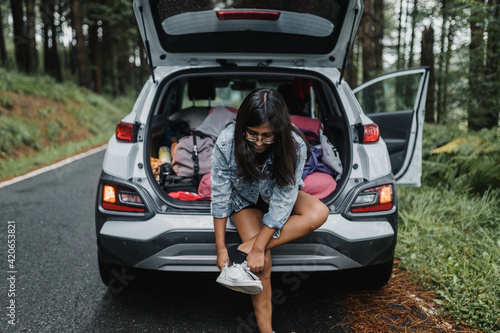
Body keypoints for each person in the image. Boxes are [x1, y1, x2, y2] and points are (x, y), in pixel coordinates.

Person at [211, 88, 329, 333]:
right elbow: (220, 195)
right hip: (244, 201)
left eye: (267, 136)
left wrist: (255, 247)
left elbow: (284, 200)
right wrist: (221, 248)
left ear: (279, 130)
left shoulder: (294, 145)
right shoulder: (226, 141)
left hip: (277, 198)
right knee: (262, 264)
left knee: (319, 212)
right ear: (242, 124)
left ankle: (240, 254)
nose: (259, 142)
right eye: (252, 134)